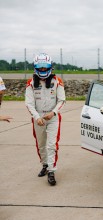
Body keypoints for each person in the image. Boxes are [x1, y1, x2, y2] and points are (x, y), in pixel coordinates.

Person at [25, 53, 66, 186]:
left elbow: (61, 100)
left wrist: (53, 112)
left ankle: (51, 171)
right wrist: (37, 117)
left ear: (50, 67)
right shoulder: (30, 83)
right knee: (41, 144)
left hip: (53, 117)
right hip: (38, 118)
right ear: (35, 67)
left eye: (45, 67)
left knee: (52, 145)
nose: (43, 70)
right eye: (40, 68)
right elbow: (29, 103)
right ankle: (45, 164)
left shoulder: (57, 81)